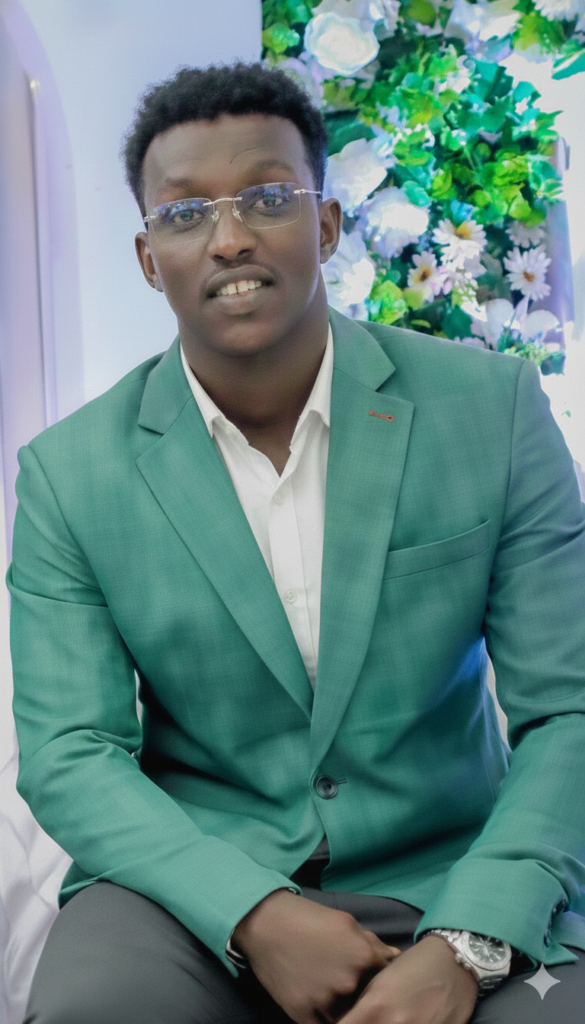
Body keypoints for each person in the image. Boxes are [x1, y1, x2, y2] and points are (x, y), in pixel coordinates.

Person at [8, 62, 585, 1024]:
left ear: (324, 224)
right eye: (184, 213)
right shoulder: (70, 473)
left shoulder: (491, 410)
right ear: (149, 257)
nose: (230, 237)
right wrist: (255, 912)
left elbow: (568, 710)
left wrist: (469, 940)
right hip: (187, 887)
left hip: (455, 868)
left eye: (268, 197)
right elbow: (71, 751)